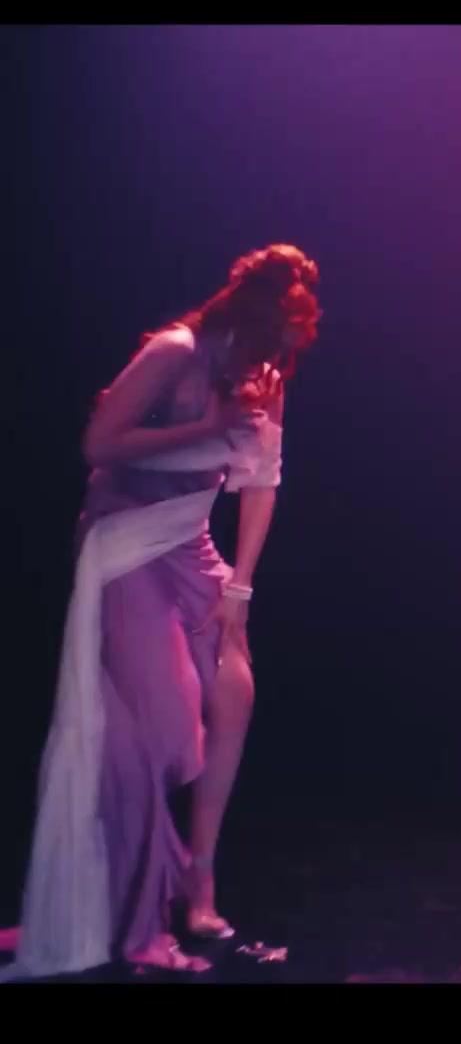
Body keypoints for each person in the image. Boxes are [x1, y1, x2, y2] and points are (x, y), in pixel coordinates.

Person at [4, 245, 319, 978]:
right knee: (160, 724)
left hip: (189, 540)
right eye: (278, 336)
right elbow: (99, 444)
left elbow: (262, 480)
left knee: (233, 694)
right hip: (123, 538)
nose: (278, 358)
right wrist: (209, 430)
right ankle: (138, 917)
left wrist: (240, 589)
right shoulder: (176, 351)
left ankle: (198, 882)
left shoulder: (262, 376)